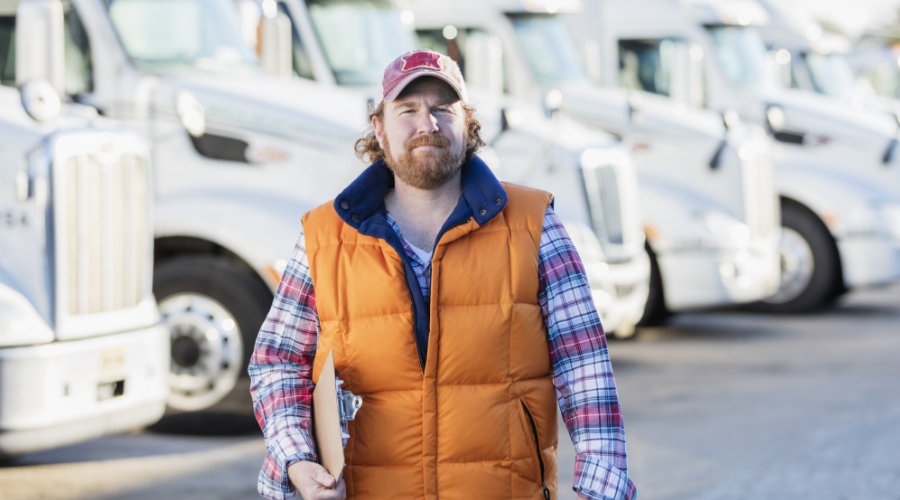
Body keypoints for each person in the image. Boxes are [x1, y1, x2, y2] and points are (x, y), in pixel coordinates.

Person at [249, 49, 636, 500]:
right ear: (379, 127)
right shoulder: (323, 237)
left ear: (467, 124)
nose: (426, 124)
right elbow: (278, 361)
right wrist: (297, 460)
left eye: (442, 109)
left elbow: (585, 366)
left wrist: (601, 489)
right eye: (408, 110)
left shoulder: (534, 224)